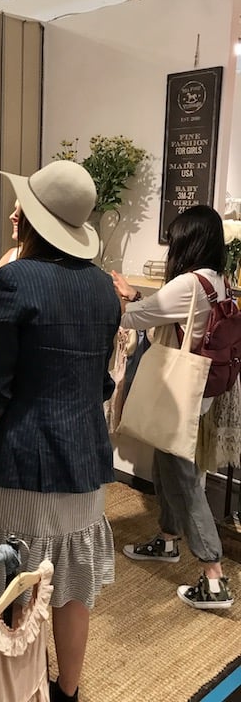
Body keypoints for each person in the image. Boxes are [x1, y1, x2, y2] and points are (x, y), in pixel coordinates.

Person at [0, 160, 121, 702]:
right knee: (73, 584)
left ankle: (19, 690)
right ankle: (67, 692)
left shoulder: (14, 279)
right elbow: (102, 382)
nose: (14, 214)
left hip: (23, 460)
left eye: (22, 207)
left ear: (36, 220)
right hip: (84, 459)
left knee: (18, 581)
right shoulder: (105, 289)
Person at [112, 204, 234, 611]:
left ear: (188, 242)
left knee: (184, 479)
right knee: (166, 463)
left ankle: (214, 577)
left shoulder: (188, 283)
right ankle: (167, 540)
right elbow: (166, 312)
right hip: (198, 392)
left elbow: (136, 319)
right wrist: (135, 297)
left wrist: (114, 300)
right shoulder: (217, 281)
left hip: (180, 396)